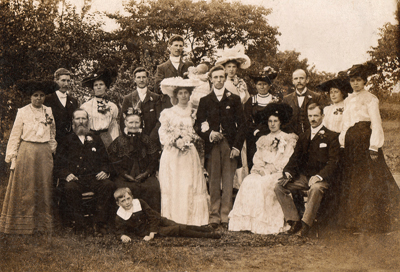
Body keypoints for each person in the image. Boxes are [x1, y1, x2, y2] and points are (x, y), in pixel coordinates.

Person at [337, 62, 400, 233]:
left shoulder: (371, 98)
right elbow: (345, 123)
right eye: (352, 80)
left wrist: (374, 146)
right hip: (351, 144)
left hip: (365, 142)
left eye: (358, 80)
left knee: (368, 180)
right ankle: (353, 222)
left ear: (364, 81)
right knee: (352, 180)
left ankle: (372, 223)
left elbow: (376, 123)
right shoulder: (348, 100)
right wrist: (342, 142)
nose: (355, 83)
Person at [228, 103, 297, 234]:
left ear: (280, 122)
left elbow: (286, 160)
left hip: (277, 172)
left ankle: (265, 223)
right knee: (248, 181)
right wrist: (259, 168)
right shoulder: (263, 139)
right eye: (270, 121)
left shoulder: (287, 139)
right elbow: (258, 157)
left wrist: (270, 169)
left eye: (275, 121)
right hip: (262, 170)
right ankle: (247, 222)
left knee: (263, 183)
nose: (272, 124)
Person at [0, 80, 58, 235]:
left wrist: (51, 149)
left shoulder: (48, 111)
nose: (38, 98)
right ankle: (23, 225)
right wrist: (12, 155)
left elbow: (52, 132)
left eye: (41, 95)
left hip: (44, 151)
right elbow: (15, 134)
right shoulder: (23, 111)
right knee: (27, 186)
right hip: (27, 151)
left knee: (44, 185)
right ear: (30, 97)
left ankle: (42, 226)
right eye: (35, 95)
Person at [274, 103, 340, 237]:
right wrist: (288, 171)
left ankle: (306, 225)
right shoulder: (304, 136)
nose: (313, 119)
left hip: (323, 178)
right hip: (304, 177)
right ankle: (294, 221)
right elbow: (295, 158)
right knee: (279, 187)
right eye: (310, 116)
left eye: (316, 115)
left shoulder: (331, 136)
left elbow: (334, 162)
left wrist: (320, 176)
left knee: (315, 189)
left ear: (322, 116)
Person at [194, 65, 246, 230]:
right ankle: (214, 216)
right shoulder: (205, 100)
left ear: (225, 78)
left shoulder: (234, 99)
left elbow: (243, 125)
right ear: (210, 79)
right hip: (213, 146)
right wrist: (209, 134)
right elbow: (198, 125)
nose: (218, 80)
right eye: (215, 77)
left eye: (221, 77)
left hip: (229, 145)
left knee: (229, 181)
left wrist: (237, 146)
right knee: (214, 181)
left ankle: (226, 216)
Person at [158, 77, 209, 226]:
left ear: (190, 94)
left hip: (189, 153)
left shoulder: (194, 113)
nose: (183, 96)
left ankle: (192, 219)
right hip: (172, 154)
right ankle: (173, 219)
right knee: (174, 183)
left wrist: (189, 139)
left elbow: (198, 132)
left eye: (186, 92)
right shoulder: (167, 112)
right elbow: (163, 133)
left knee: (188, 183)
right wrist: (175, 141)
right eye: (180, 93)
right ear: (175, 95)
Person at [56, 108, 115, 236]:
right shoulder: (66, 140)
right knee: (70, 188)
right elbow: (58, 164)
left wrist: (105, 171)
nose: (81, 121)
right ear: (73, 121)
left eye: (83, 118)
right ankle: (80, 225)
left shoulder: (96, 138)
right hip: (75, 179)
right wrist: (66, 174)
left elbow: (106, 160)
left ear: (88, 121)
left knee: (108, 185)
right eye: (78, 118)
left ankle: (99, 224)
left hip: (93, 178)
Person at [114, 188, 221, 243]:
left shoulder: (139, 202)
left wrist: (151, 234)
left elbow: (152, 216)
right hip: (148, 230)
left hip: (157, 221)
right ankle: (210, 236)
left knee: (179, 225)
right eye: (123, 201)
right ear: (118, 204)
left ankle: (205, 229)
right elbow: (118, 231)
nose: (127, 202)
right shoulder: (120, 216)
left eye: (128, 199)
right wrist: (123, 236)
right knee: (177, 229)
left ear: (132, 197)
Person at [108, 108, 161, 212]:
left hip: (145, 175)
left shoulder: (146, 139)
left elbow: (153, 159)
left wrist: (146, 174)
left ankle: (152, 218)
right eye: (131, 122)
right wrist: (125, 175)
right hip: (124, 176)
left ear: (141, 123)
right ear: (125, 123)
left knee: (152, 188)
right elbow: (113, 161)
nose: (134, 125)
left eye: (137, 122)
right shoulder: (119, 141)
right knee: (124, 189)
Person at [215, 44, 252, 189]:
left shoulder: (242, 83)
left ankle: (241, 188)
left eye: (234, 67)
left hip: (240, 122)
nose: (231, 70)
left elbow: (246, 103)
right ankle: (228, 188)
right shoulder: (220, 83)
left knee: (241, 153)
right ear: (224, 68)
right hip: (227, 123)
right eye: (228, 67)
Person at [244, 66, 281, 170]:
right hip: (255, 136)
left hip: (272, 136)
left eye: (265, 84)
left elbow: (280, 119)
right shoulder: (251, 101)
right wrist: (256, 131)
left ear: (269, 85)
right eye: (259, 84)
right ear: (255, 85)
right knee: (255, 163)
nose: (262, 87)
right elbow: (246, 120)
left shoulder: (275, 100)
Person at [120, 67, 162, 145]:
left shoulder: (156, 98)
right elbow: (123, 121)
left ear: (148, 79)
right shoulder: (128, 98)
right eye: (138, 77)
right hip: (134, 141)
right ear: (134, 80)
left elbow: (160, 120)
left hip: (152, 140)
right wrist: (130, 137)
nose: (141, 80)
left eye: (144, 77)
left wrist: (151, 138)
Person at [81, 68, 119, 148]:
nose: (98, 87)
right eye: (95, 85)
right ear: (93, 88)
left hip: (106, 139)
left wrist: (115, 143)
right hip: (91, 139)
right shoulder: (85, 106)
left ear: (106, 87)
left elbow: (113, 127)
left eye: (101, 84)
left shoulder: (112, 106)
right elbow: (83, 126)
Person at [154, 35, 194, 108]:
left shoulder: (189, 65)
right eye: (176, 45)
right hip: (168, 105)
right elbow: (158, 87)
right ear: (169, 47)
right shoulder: (162, 68)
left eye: (180, 46)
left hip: (186, 104)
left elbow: (194, 83)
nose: (178, 48)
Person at [283, 69, 324, 136]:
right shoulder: (287, 99)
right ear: (293, 81)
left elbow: (321, 118)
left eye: (301, 78)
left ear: (307, 80)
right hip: (292, 136)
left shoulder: (316, 97)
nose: (299, 81)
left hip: (312, 135)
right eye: (296, 79)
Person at [45, 68, 79, 143]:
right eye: (63, 80)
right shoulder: (47, 100)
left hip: (70, 142)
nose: (66, 84)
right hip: (53, 141)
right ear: (55, 81)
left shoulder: (73, 101)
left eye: (68, 81)